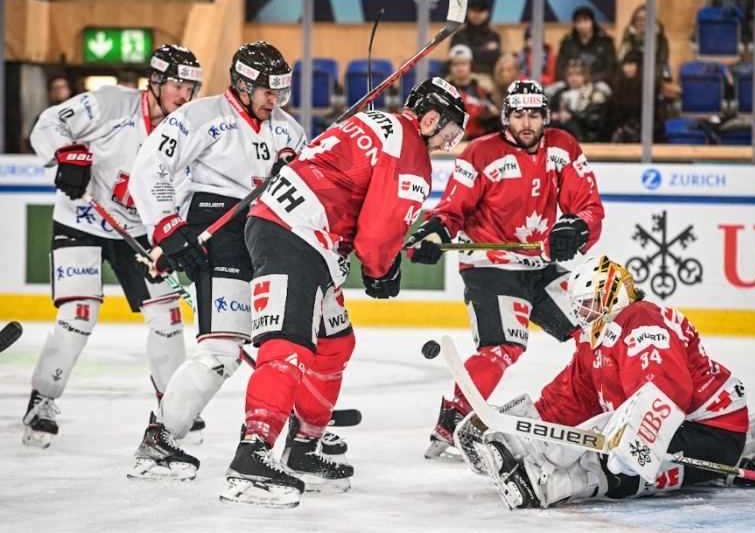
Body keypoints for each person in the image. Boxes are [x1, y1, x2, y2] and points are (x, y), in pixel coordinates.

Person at [219, 77, 468, 508]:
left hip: (299, 232)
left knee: (335, 342)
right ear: (430, 119)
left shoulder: (374, 120)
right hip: (295, 234)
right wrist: (383, 269)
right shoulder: (409, 150)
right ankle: (252, 455)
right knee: (290, 344)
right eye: (449, 133)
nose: (449, 143)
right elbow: (376, 237)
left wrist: (380, 257)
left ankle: (303, 448)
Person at [459, 254, 755, 509]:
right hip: (681, 426)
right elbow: (574, 395)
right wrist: (528, 428)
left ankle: (548, 486)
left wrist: (637, 442)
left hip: (713, 430)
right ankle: (536, 458)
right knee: (600, 432)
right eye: (578, 307)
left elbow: (664, 389)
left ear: (613, 294)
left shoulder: (641, 319)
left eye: (589, 303)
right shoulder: (595, 338)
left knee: (615, 466)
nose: (583, 313)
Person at [126, 41, 308, 481]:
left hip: (271, 232)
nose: (274, 101)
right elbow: (149, 169)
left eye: (281, 92)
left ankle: (301, 438)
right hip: (218, 227)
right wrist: (167, 227)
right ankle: (161, 437)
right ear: (243, 85)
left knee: (290, 343)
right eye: (267, 91)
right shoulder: (200, 116)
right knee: (222, 352)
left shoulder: (289, 131)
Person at [404, 79, 605, 461]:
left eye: (533, 115)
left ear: (545, 116)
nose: (526, 123)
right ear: (506, 117)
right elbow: (451, 209)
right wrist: (435, 232)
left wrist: (576, 227)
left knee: (596, 331)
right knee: (502, 348)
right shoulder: (481, 152)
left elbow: (589, 206)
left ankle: (600, 402)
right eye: (518, 115)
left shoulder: (563, 147)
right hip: (490, 266)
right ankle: (453, 423)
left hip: (540, 266)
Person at [22, 45, 203, 449]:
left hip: (139, 232)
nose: (184, 95)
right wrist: (67, 157)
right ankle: (42, 401)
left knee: (167, 316)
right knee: (79, 313)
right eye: (177, 85)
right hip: (81, 220)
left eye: (191, 87)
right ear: (154, 82)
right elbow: (48, 124)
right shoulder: (109, 103)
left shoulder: (185, 129)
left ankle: (172, 407)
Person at [554, 6, 616, 94]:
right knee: (550, 92)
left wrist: (586, 80)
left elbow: (609, 70)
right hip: (570, 83)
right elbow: (560, 69)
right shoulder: (567, 43)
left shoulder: (605, 42)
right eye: (578, 21)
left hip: (597, 83)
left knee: (604, 91)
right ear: (574, 24)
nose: (582, 25)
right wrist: (573, 80)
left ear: (592, 22)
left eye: (586, 20)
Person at [549, 59, 610, 143]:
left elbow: (594, 122)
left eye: (578, 75)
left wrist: (573, 116)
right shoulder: (560, 94)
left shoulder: (595, 95)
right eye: (570, 75)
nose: (573, 78)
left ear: (585, 76)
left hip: (586, 138)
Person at [446, 44, 499, 140]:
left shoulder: (482, 90)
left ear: (470, 65)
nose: (460, 68)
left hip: (476, 141)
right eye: (456, 64)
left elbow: (494, 116)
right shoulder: (442, 91)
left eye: (463, 64)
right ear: (450, 67)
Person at [449, 0, 502, 75]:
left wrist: (466, 50)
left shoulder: (494, 36)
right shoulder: (458, 36)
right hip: (459, 76)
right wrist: (485, 50)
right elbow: (454, 56)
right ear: (467, 12)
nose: (477, 14)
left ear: (487, 13)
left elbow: (494, 57)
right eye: (473, 10)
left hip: (485, 76)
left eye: (481, 11)